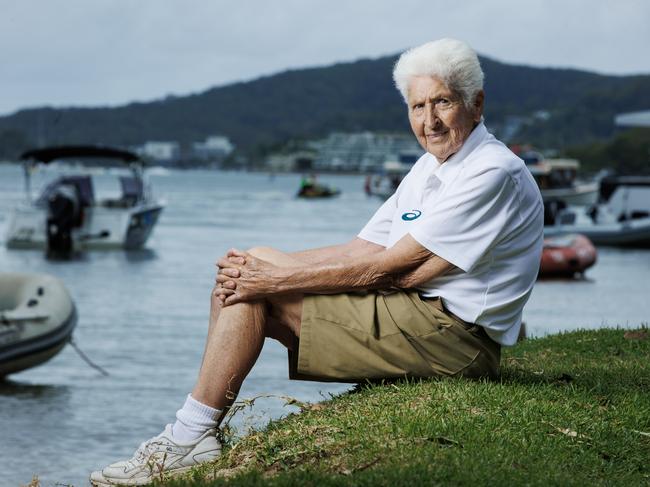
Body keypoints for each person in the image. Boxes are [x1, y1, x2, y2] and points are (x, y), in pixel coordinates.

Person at [90, 38, 543, 486]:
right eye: (417, 106)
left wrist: (273, 282)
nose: (429, 121)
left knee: (257, 292)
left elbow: (391, 270)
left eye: (442, 103)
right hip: (418, 318)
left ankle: (190, 437)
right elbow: (363, 250)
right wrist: (260, 269)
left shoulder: (490, 171)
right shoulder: (430, 168)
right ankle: (192, 433)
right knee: (253, 267)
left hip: (456, 342)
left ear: (476, 104)